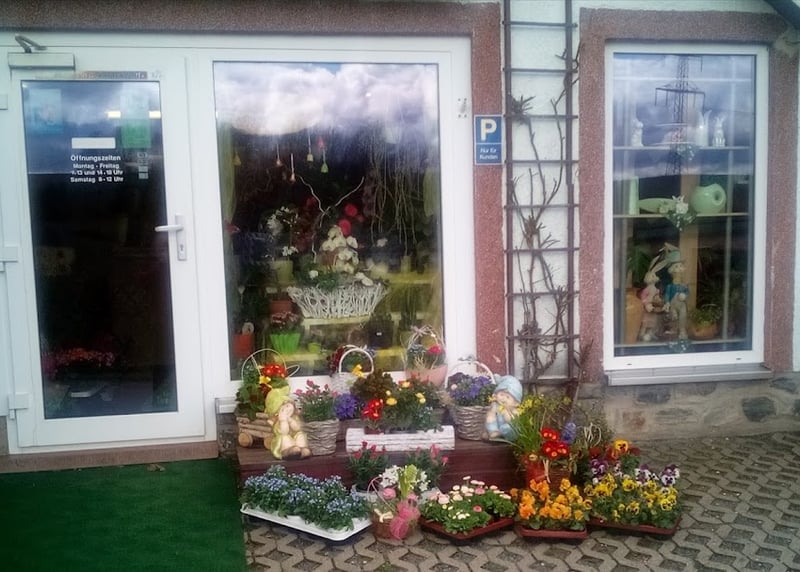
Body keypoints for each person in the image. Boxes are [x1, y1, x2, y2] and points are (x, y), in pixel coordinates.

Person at [264, 385, 311, 460]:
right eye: (282, 409)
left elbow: (297, 428)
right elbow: (284, 431)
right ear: (277, 414)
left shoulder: (294, 417)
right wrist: (283, 420)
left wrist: (290, 420)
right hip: (284, 442)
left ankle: (302, 449)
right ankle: (289, 451)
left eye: (288, 406)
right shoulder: (279, 422)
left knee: (300, 435)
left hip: (294, 438)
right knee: (285, 437)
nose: (287, 410)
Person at [483, 375, 523, 440]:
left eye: (508, 397)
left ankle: (498, 434)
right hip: (497, 428)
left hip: (509, 430)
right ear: (495, 395)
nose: (503, 399)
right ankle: (492, 432)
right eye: (501, 395)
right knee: (490, 415)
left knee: (511, 427)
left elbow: (511, 421)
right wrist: (492, 411)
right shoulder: (496, 405)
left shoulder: (514, 410)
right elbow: (491, 414)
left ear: (516, 403)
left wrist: (505, 413)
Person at [663, 262, 689, 340]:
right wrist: (667, 302)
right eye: (676, 266)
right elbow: (667, 294)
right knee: (673, 316)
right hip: (673, 303)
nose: (679, 269)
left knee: (683, 316)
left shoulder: (684, 285)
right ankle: (673, 329)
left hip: (682, 304)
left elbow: (687, 292)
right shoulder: (670, 286)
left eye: (681, 266)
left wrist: (685, 295)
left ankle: (682, 331)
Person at [638, 271, 664, 341]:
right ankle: (642, 334)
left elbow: (657, 297)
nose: (654, 278)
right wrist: (645, 303)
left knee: (653, 321)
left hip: (654, 305)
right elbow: (643, 296)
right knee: (645, 321)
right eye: (652, 276)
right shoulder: (647, 289)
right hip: (648, 306)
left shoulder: (656, 290)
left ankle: (650, 333)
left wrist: (659, 300)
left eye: (654, 276)